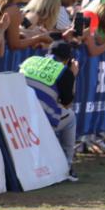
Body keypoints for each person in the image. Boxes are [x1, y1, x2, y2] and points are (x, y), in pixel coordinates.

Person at [21, 41, 79, 181]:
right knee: (70, 118)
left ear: (48, 53)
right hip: (40, 119)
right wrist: (73, 75)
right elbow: (67, 104)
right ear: (68, 60)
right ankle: (66, 166)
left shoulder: (30, 60)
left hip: (17, 115)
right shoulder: (64, 71)